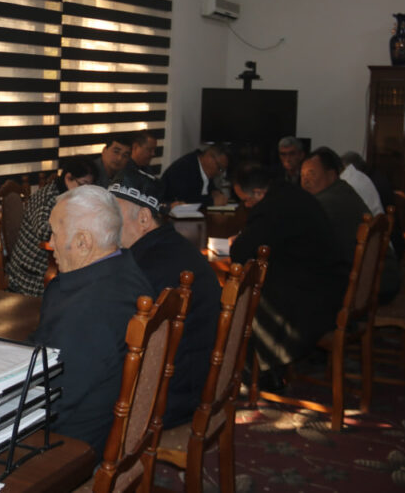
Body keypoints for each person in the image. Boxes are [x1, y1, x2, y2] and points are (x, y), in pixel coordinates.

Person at [33, 185, 153, 457]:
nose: (49, 243)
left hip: (74, 445)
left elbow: (50, 402)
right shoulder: (127, 271)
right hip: (106, 423)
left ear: (83, 242)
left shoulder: (87, 310)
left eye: (54, 233)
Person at [110, 169, 221, 429]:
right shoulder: (173, 245)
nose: (106, 222)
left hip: (167, 398)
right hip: (199, 380)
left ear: (144, 218)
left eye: (113, 214)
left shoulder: (141, 268)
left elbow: (117, 341)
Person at [230, 164, 343, 392]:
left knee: (245, 303)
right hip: (329, 283)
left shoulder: (271, 208)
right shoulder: (289, 193)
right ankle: (265, 370)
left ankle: (257, 374)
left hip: (312, 299)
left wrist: (239, 240)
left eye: (246, 201)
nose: (246, 206)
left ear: (259, 193)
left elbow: (241, 252)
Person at [302, 148, 399, 302]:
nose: (305, 181)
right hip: (379, 275)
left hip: (371, 284)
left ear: (331, 175)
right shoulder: (342, 190)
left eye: (311, 174)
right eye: (302, 176)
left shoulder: (327, 203)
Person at [6, 157, 95, 296]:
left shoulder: (69, 196)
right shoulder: (48, 197)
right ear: (68, 178)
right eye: (83, 185)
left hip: (54, 261)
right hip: (33, 269)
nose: (86, 191)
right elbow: (44, 232)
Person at [161, 144, 229, 207]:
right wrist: (211, 202)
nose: (219, 173)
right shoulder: (184, 167)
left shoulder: (205, 171)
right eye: (220, 168)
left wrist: (216, 193)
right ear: (209, 158)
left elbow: (210, 190)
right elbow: (183, 200)